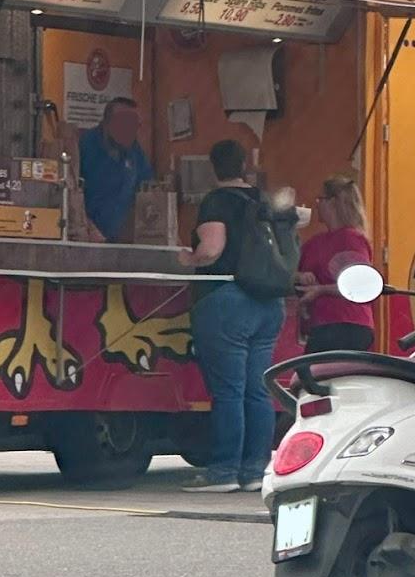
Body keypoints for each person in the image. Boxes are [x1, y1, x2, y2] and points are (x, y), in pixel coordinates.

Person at [178, 138, 296, 493]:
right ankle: (255, 469)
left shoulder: (217, 201)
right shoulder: (263, 200)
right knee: (257, 391)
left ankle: (224, 470)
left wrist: (190, 258)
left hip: (228, 300)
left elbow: (212, 250)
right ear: (245, 165)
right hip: (269, 302)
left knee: (229, 391)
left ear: (213, 167)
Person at [296, 175, 376, 354]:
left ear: (332, 202)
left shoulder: (351, 239)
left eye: (320, 199)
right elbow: (294, 269)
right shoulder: (316, 242)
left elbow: (360, 284)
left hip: (347, 323)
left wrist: (320, 290)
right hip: (323, 324)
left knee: (311, 373)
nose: (317, 205)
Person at [78, 97, 152, 241]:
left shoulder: (134, 150)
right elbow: (70, 191)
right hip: (87, 237)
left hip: (124, 238)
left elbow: (147, 188)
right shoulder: (86, 146)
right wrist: (88, 226)